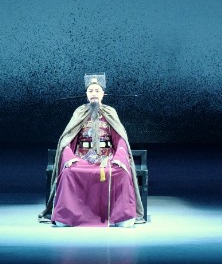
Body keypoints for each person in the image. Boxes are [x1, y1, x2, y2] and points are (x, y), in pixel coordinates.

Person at [39, 74, 145, 227]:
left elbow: (120, 139)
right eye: (90, 91)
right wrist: (69, 157)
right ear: (86, 94)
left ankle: (121, 217)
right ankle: (67, 217)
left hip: (106, 158)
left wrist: (119, 157)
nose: (94, 93)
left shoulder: (110, 112)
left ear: (103, 94)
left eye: (97, 90)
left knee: (121, 172)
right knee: (68, 172)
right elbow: (67, 139)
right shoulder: (79, 112)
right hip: (81, 159)